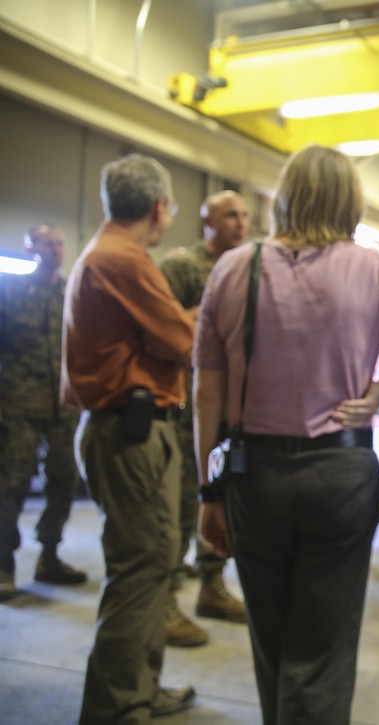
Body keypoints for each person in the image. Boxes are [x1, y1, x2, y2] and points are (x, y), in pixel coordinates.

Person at [194, 144, 379, 724]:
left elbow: (206, 394)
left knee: (270, 637)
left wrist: (208, 491)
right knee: (324, 647)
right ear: (349, 201)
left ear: (287, 197)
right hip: (342, 475)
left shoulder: (234, 267)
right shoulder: (374, 269)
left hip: (256, 474)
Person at [62, 154, 198, 721]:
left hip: (125, 428)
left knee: (151, 563)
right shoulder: (125, 259)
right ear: (160, 207)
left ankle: (140, 688)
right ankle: (118, 706)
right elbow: (185, 341)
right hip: (132, 432)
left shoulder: (108, 252)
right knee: (141, 569)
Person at [158, 190, 249, 646]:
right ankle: (167, 600)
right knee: (180, 506)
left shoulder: (244, 267)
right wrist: (206, 318)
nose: (241, 223)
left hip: (231, 411)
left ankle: (212, 587)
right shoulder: (181, 267)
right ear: (207, 221)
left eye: (245, 215)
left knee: (223, 499)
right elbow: (160, 330)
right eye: (230, 215)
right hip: (185, 408)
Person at [0, 224, 87, 602]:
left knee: (64, 479)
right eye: (48, 243)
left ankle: (49, 556)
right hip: (19, 403)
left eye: (60, 242)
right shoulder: (12, 291)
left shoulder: (73, 293)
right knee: (12, 483)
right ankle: (3, 565)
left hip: (64, 405)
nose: (55, 249)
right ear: (31, 247)